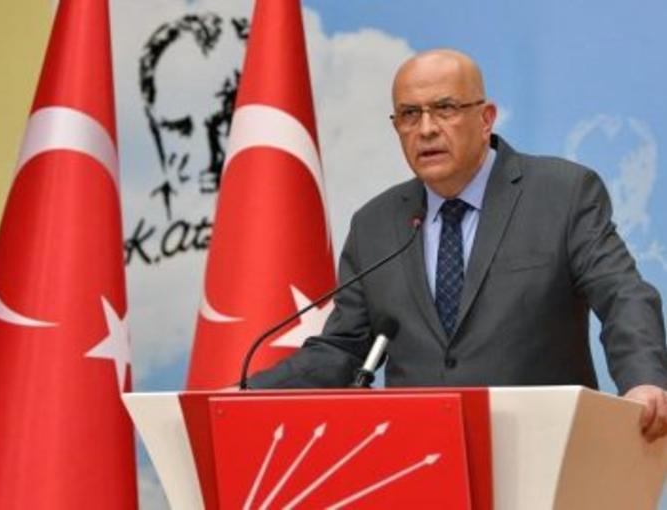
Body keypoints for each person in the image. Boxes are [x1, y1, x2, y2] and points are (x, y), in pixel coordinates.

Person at [247, 49, 667, 441]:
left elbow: (622, 294)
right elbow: (342, 350)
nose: (426, 129)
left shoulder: (562, 194)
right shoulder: (375, 224)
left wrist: (643, 380)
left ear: (486, 118)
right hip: (420, 458)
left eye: (445, 108)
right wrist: (244, 394)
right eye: (409, 114)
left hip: (542, 449)